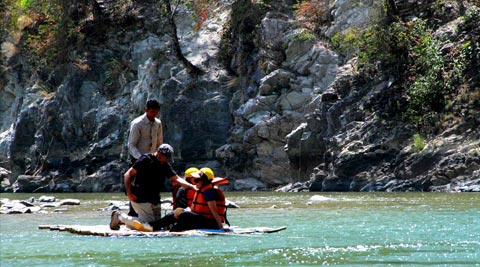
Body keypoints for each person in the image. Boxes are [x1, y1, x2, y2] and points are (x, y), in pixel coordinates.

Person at [110, 143, 195, 230]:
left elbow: (177, 179)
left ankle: (130, 223)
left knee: (157, 225)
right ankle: (119, 217)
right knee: (148, 225)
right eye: (165, 157)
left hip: (154, 198)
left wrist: (192, 187)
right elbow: (127, 175)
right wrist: (129, 192)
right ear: (159, 153)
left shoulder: (164, 165)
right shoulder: (145, 159)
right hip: (140, 196)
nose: (166, 160)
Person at [132, 167, 229, 232]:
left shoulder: (209, 192)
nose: (194, 182)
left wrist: (220, 227)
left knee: (184, 214)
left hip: (211, 223)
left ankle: (151, 226)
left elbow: (214, 211)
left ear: (204, 181)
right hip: (201, 220)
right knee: (177, 216)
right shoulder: (203, 190)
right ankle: (150, 226)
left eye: (196, 180)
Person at [126, 98, 163, 217]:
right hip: (138, 160)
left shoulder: (158, 123)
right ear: (146, 110)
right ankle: (133, 214)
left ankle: (152, 214)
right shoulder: (137, 123)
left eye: (156, 112)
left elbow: (159, 143)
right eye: (152, 111)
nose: (154, 114)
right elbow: (131, 145)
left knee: (154, 186)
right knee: (136, 188)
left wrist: (159, 157)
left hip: (153, 161)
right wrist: (141, 159)